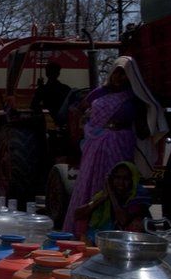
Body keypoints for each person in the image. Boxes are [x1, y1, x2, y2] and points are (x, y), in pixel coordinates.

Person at [62, 56, 164, 233]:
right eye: (117, 73)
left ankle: (113, 230)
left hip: (120, 144)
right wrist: (87, 129)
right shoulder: (100, 92)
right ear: (112, 73)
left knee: (118, 183)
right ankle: (84, 230)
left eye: (124, 75)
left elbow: (143, 126)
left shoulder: (134, 97)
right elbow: (79, 110)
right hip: (95, 145)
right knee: (90, 185)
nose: (120, 77)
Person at [73, 161, 151, 243]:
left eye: (126, 179)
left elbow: (123, 220)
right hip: (111, 241)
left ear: (133, 180)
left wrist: (111, 195)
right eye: (117, 178)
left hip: (136, 243)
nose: (121, 182)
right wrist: (102, 198)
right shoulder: (104, 194)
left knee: (135, 224)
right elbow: (77, 215)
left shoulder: (139, 197)